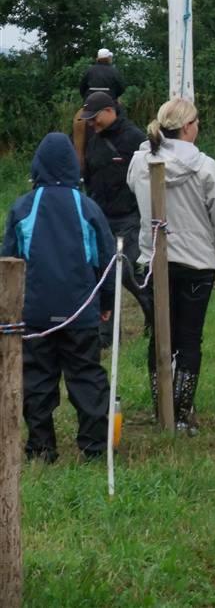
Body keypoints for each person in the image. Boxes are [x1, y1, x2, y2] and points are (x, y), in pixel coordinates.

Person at [127, 98, 215, 434]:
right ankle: (177, 414)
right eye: (197, 121)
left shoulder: (138, 163)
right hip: (195, 265)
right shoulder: (206, 167)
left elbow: (136, 194)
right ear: (187, 127)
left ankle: (161, 408)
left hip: (154, 262)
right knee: (189, 339)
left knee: (160, 336)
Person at [2, 133, 115, 463]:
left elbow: (9, 260)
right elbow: (107, 260)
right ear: (73, 166)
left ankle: (40, 449)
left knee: (37, 378)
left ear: (36, 167)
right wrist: (105, 304)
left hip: (34, 314)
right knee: (86, 375)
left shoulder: (22, 208)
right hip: (80, 312)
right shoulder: (88, 207)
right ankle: (94, 449)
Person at [80, 90, 153, 345]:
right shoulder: (94, 140)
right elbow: (89, 177)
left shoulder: (135, 138)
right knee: (102, 276)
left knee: (130, 274)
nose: (91, 123)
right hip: (100, 219)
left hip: (129, 218)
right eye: (88, 119)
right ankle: (107, 334)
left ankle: (153, 314)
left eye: (94, 118)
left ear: (109, 112)